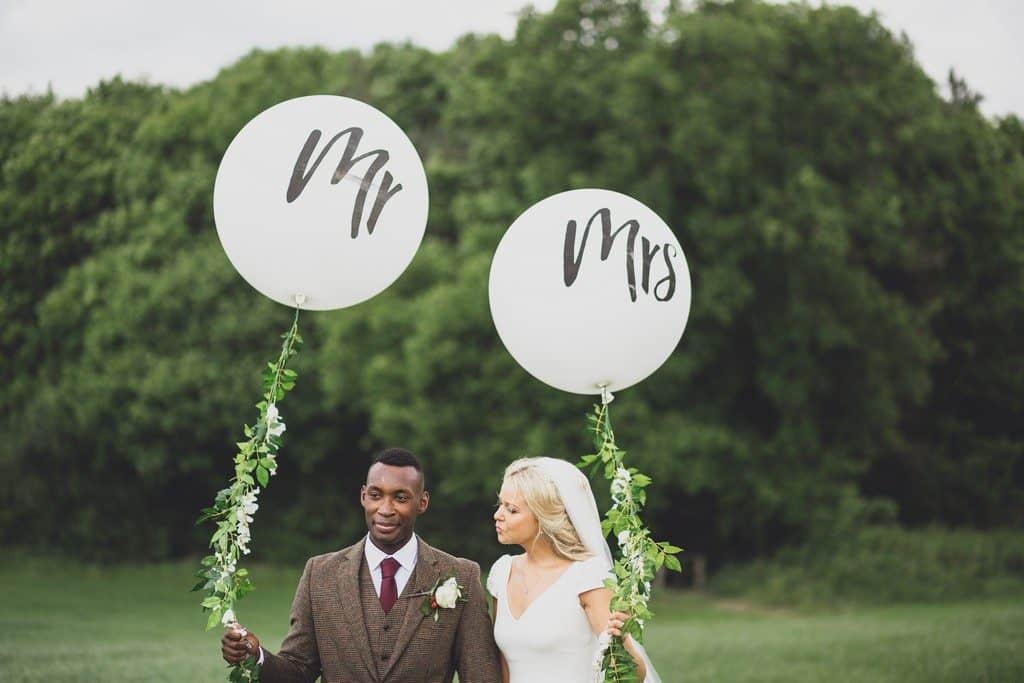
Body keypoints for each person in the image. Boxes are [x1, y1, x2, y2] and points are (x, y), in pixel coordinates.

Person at [222, 447, 501, 683]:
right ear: (363, 496)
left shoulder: (461, 576)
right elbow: (298, 669)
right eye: (376, 495)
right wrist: (255, 656)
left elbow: (481, 677)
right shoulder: (319, 575)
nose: (386, 509)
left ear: (422, 502)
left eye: (400, 497)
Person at [489, 457, 660, 683]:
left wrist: (621, 637)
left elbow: (630, 676)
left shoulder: (587, 576)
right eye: (500, 504)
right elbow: (502, 665)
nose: (498, 515)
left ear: (544, 517)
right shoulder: (502, 573)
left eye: (511, 510)